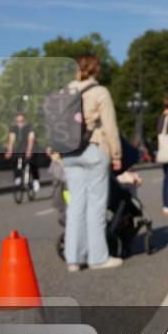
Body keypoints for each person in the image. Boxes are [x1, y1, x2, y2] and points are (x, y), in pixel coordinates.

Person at [62, 54, 123, 271]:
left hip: (68, 153)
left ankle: (74, 259)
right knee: (95, 207)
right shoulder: (99, 92)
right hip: (92, 149)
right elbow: (110, 126)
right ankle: (98, 258)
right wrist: (116, 154)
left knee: (75, 206)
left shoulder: (64, 92)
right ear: (95, 70)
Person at [5, 111, 41, 193]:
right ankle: (17, 177)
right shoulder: (14, 128)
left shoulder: (29, 127)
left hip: (32, 147)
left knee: (32, 163)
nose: (19, 123)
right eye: (18, 121)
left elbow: (31, 139)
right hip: (20, 148)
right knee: (15, 160)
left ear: (25, 120)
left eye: (21, 121)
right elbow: (11, 140)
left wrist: (29, 150)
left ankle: (35, 180)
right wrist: (9, 151)